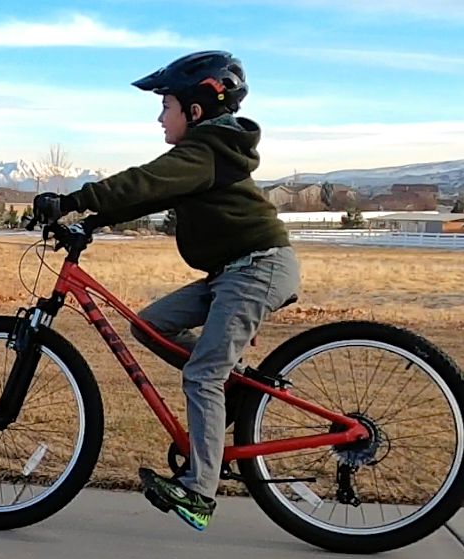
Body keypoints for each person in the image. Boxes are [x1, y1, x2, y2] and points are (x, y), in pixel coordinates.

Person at [32, 51, 301, 531]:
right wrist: (90, 222)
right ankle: (235, 388)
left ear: (194, 111)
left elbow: (145, 180)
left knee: (201, 376)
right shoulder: (203, 155)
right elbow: (153, 193)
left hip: (256, 270)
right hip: (233, 271)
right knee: (150, 326)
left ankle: (199, 493)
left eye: (167, 106)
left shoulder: (203, 150)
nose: (160, 117)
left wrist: (74, 201)